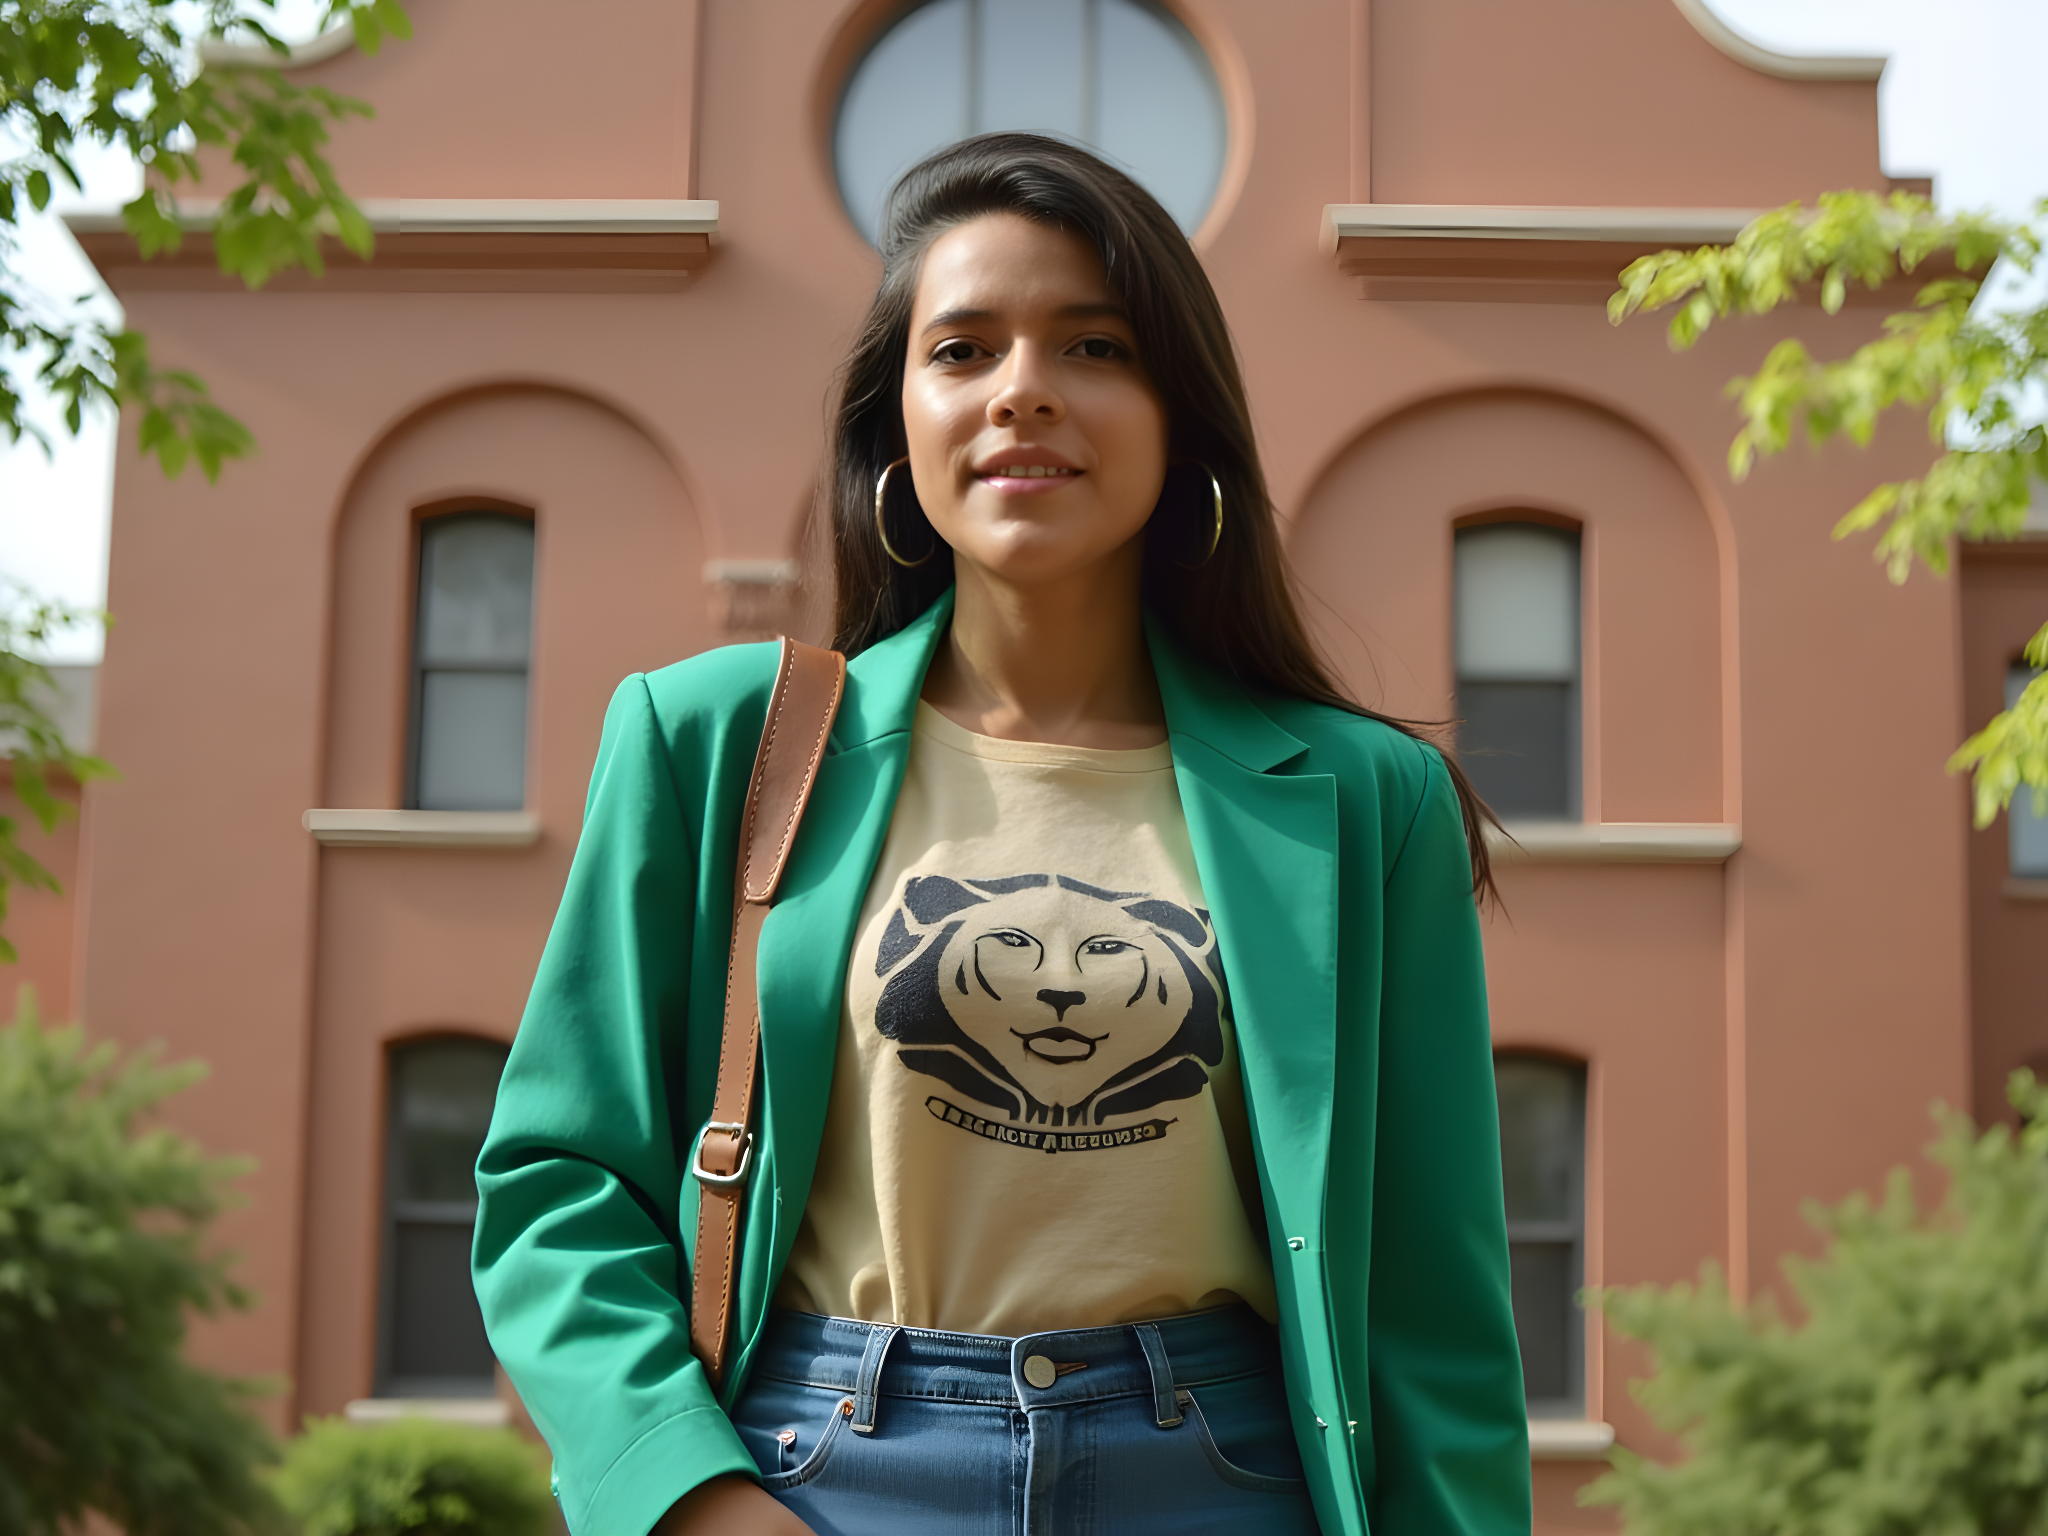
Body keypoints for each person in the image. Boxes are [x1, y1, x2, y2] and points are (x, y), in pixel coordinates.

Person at [474, 133, 1530, 1536]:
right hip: (817, 1476)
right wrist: (686, 1496)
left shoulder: (1359, 797)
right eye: (963, 352)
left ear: (1181, 419)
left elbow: (1432, 1317)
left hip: (1223, 1479)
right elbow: (559, 1187)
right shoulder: (718, 741)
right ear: (896, 429)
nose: (1023, 390)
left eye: (1094, 347)